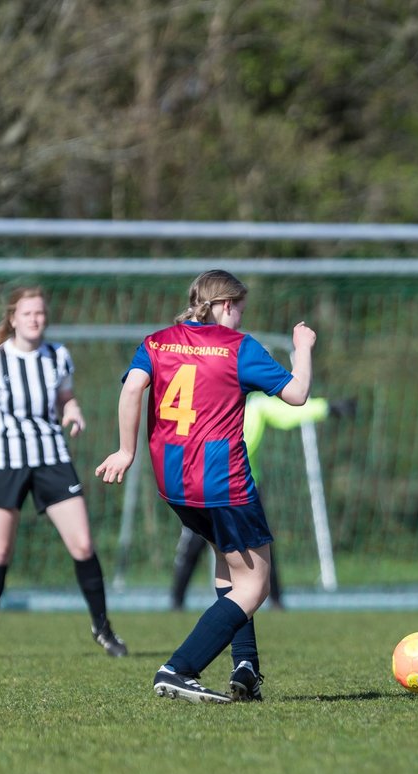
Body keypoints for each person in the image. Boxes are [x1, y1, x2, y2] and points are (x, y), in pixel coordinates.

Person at [95, 270, 316, 704]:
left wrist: (125, 450)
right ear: (227, 305)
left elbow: (133, 387)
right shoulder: (239, 347)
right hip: (223, 481)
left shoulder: (156, 341)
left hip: (173, 482)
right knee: (255, 586)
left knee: (228, 566)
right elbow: (297, 394)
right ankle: (179, 668)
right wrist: (302, 348)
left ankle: (245, 667)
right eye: (240, 308)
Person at [0, 286, 127, 659]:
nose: (35, 320)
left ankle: (103, 629)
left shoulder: (57, 355)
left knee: (82, 544)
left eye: (41, 313)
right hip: (6, 463)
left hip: (51, 458)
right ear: (13, 318)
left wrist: (73, 412)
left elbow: (66, 397)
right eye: (28, 313)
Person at [169, 393, 328, 610]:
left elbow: (289, 411)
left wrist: (326, 408)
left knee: (261, 543)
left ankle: (276, 600)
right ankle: (177, 600)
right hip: (209, 485)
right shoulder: (210, 397)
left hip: (246, 486)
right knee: (197, 541)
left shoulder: (257, 405)